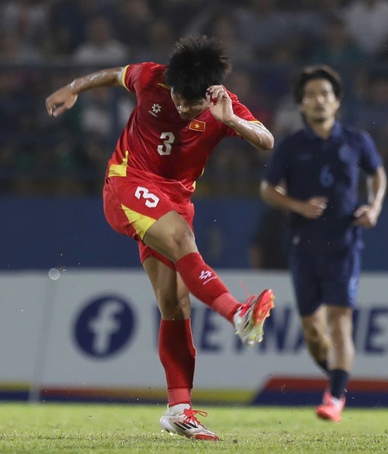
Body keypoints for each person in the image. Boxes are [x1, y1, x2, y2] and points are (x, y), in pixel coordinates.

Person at [45, 34, 276, 442]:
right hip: (127, 183)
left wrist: (232, 121)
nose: (185, 109)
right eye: (180, 101)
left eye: (193, 104)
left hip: (174, 199)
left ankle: (179, 410)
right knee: (185, 240)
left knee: (175, 304)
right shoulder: (151, 78)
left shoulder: (223, 105)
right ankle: (238, 314)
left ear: (210, 93)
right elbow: (113, 74)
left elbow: (268, 141)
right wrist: (73, 87)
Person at [260, 65, 387, 422]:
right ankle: (336, 376)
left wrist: (373, 207)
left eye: (325, 94)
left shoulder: (357, 141)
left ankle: (335, 396)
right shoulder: (290, 145)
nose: (319, 100)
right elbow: (268, 189)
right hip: (303, 246)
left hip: (344, 243)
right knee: (314, 333)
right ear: (301, 103)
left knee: (339, 320)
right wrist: (297, 205)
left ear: (337, 101)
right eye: (311, 95)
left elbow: (377, 173)